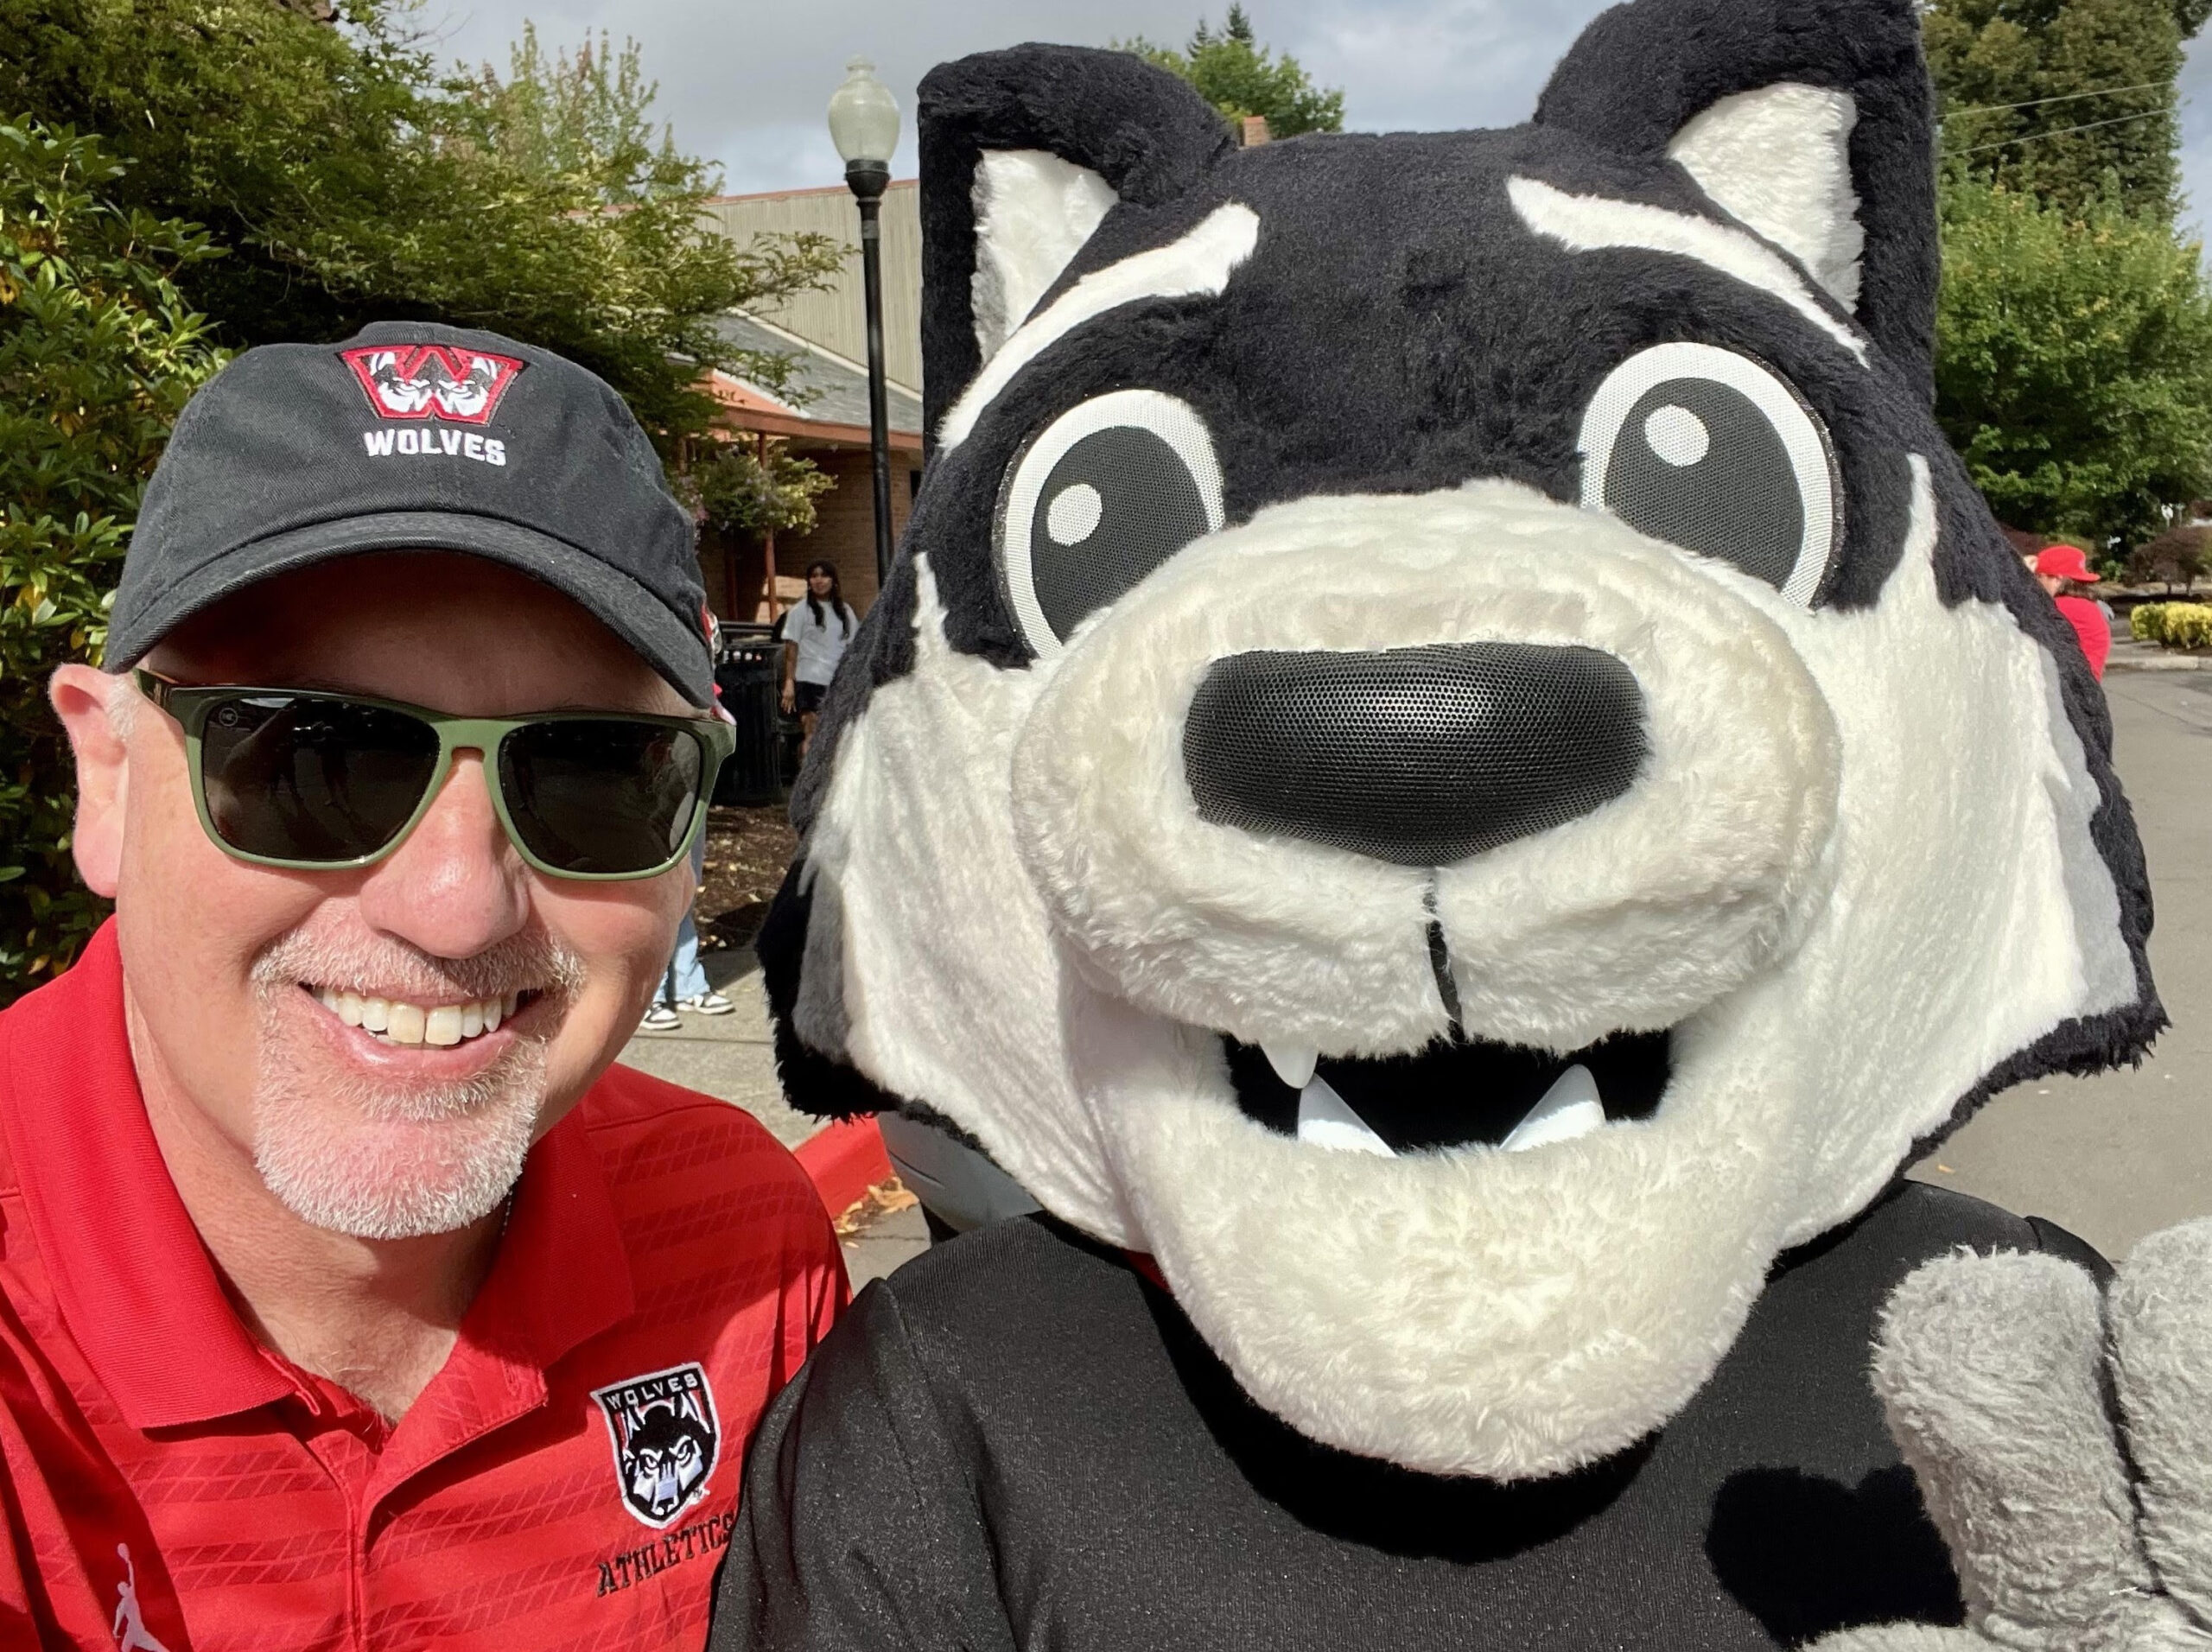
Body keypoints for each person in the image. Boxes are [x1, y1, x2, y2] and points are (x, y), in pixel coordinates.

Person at [5, 321, 847, 1650]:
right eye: (312, 758)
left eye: (591, 774)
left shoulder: (741, 1245)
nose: (456, 904)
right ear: (104, 781)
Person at [778, 561, 859, 757]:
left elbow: (854, 647)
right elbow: (791, 649)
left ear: (833, 580)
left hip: (836, 681)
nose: (819, 580)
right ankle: (809, 780)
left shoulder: (845, 612)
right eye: (814, 576)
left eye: (824, 575)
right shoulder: (799, 611)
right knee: (812, 733)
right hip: (809, 680)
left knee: (835, 735)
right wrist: (789, 682)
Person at [2035, 543, 2113, 679]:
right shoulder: (2086, 605)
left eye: (2039, 576)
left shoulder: (2063, 606)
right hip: (2084, 688)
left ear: (2057, 579)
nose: (2034, 583)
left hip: (2068, 690)